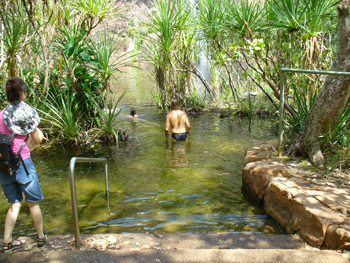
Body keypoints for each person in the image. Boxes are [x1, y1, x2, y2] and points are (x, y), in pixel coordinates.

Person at [0, 77, 46, 253]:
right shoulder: (26, 114)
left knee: (14, 204)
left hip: (4, 165)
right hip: (23, 164)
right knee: (33, 203)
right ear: (23, 94)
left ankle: (7, 241)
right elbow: (38, 140)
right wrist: (35, 128)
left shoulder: (1, 115)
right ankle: (41, 238)